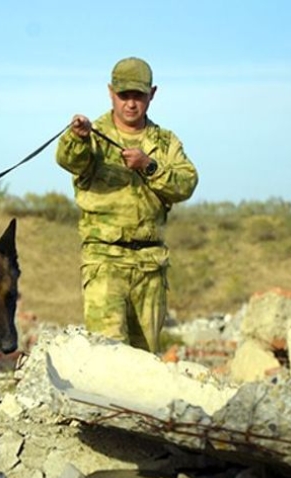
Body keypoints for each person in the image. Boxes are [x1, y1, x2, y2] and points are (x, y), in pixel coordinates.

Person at [55, 56, 198, 353]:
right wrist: (77, 138)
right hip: (105, 261)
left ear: (152, 94)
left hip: (150, 266)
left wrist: (149, 165)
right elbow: (69, 160)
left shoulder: (165, 142)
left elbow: (186, 183)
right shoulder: (94, 136)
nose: (130, 104)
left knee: (143, 360)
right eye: (124, 96)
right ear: (110, 93)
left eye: (138, 96)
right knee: (109, 354)